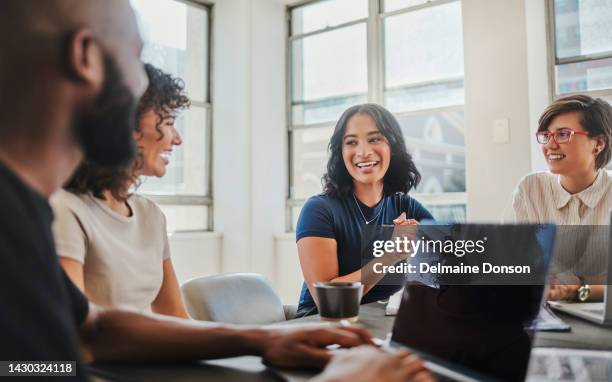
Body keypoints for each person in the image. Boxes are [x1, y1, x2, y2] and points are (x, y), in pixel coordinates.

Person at [0, 1, 433, 381]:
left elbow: (91, 329)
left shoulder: (27, 209)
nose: (142, 84)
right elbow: (48, 365)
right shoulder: (34, 218)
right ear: (87, 57)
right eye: (135, 59)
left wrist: (260, 341)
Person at [51, 63, 190, 317]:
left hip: (150, 357)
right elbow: (80, 330)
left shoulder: (151, 215)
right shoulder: (65, 210)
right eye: (168, 122)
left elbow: (176, 316)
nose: (177, 138)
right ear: (127, 124)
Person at [296, 103, 433, 317]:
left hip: (380, 323)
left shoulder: (404, 206)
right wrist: (390, 256)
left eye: (375, 139)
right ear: (341, 152)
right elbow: (329, 301)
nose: (363, 152)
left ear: (393, 147)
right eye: (351, 142)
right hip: (323, 325)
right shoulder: (319, 210)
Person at [513, 94, 612, 301]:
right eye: (546, 136)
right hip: (544, 311)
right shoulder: (531, 189)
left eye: (563, 134)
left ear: (599, 143)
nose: (550, 145)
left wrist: (579, 291)